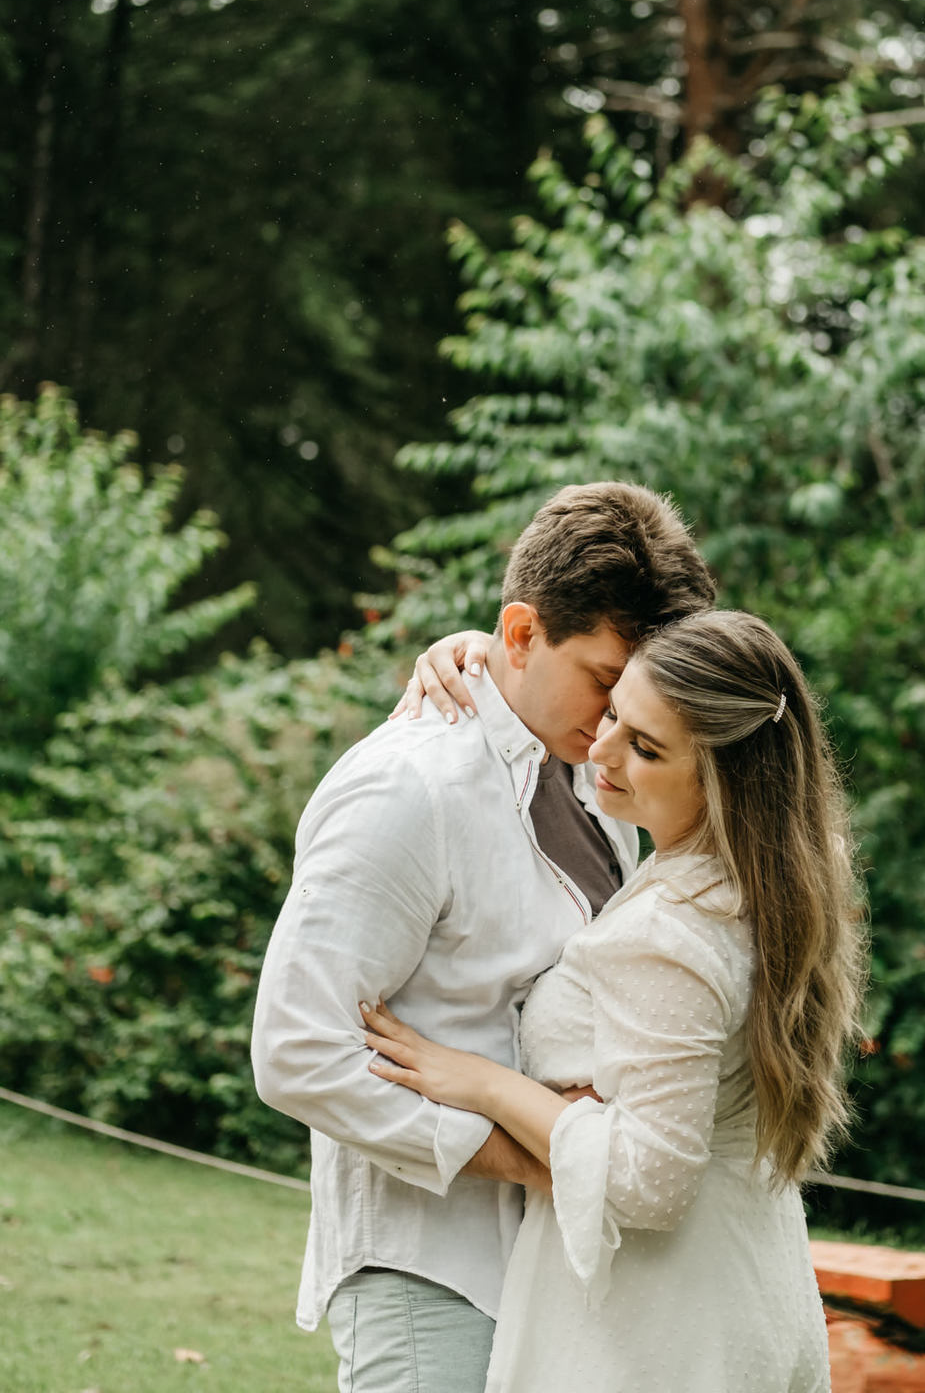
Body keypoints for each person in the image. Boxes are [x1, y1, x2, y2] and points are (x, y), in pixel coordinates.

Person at [251, 482, 716, 1393]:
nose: (619, 716)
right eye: (605, 680)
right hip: (429, 1272)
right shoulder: (408, 787)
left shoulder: (596, 781)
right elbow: (296, 1050)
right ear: (519, 632)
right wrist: (545, 1159)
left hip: (555, 1274)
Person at [362, 608, 864, 1393]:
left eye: (646, 748)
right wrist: (481, 652)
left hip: (656, 1325)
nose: (601, 749)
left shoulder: (671, 933)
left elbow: (647, 1181)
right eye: (613, 712)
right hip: (749, 1283)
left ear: (726, 781)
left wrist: (486, 1084)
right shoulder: (775, 884)